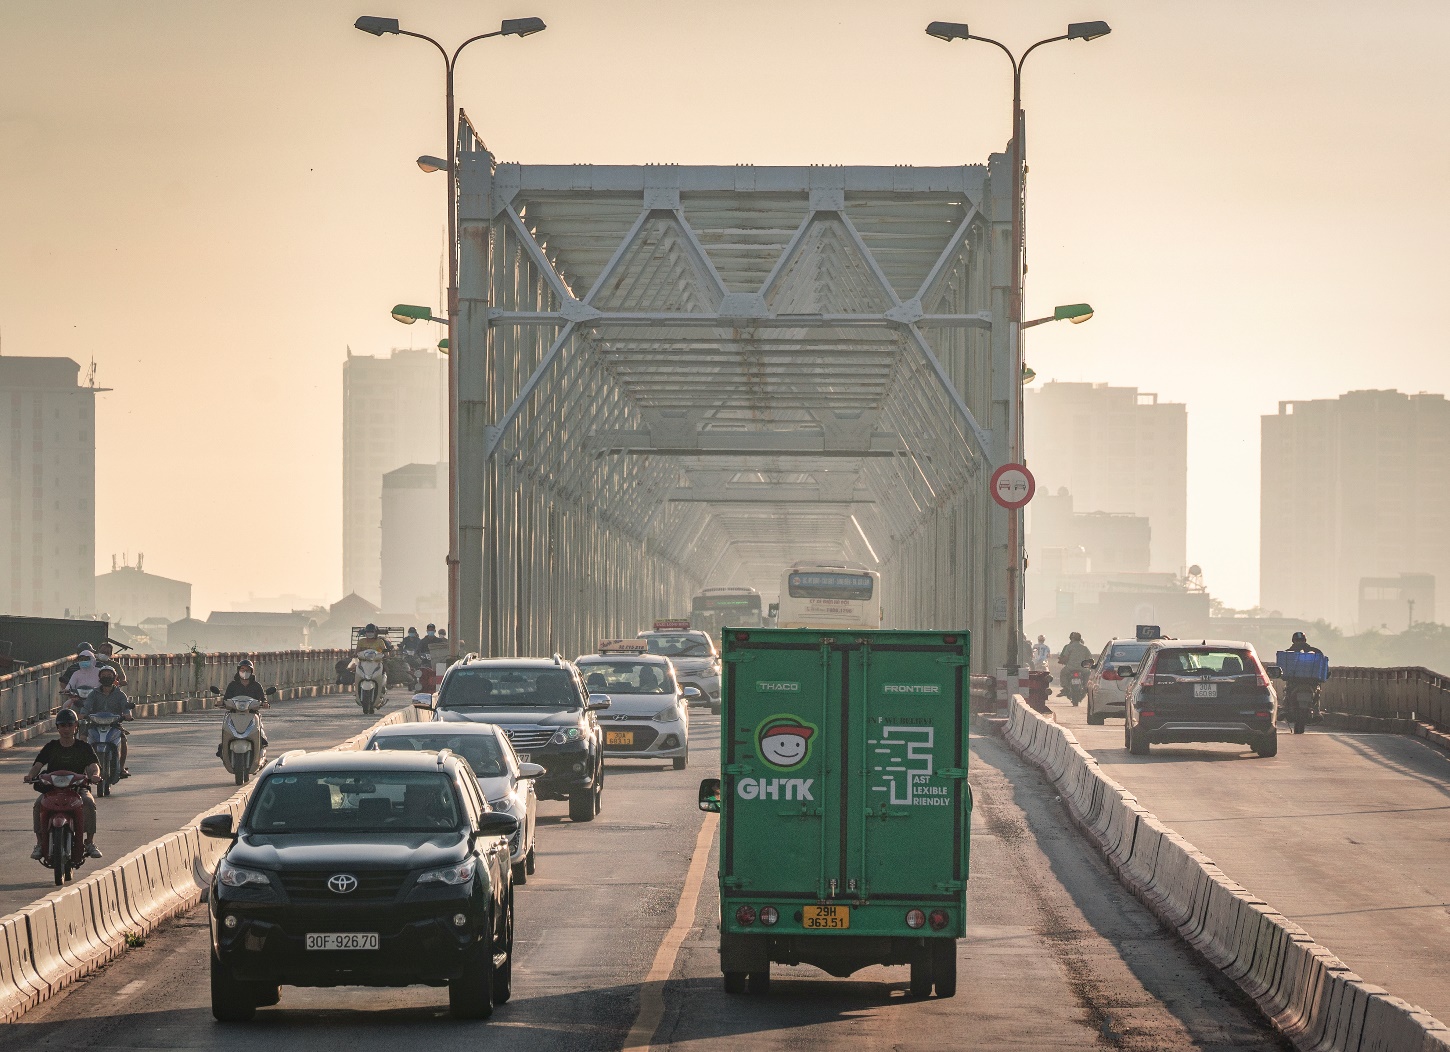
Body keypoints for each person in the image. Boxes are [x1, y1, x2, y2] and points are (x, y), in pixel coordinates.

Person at [25, 708, 102, 859]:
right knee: (38, 804)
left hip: (78, 789)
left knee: (88, 802)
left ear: (76, 726)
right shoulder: (51, 746)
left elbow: (94, 765)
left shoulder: (84, 747)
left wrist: (95, 775)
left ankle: (90, 842)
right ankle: (40, 843)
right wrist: (30, 776)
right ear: (58, 727)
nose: (66, 729)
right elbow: (38, 765)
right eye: (62, 725)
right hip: (52, 790)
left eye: (69, 725)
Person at [81, 667, 136, 777]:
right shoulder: (93, 693)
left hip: (114, 724)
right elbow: (86, 706)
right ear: (99, 677)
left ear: (115, 678)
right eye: (103, 675)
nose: (106, 677)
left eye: (109, 675)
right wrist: (82, 714)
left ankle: (121, 768)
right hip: (94, 724)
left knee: (123, 740)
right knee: (82, 739)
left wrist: (127, 715)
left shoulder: (120, 694)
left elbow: (126, 708)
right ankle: (82, 768)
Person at [217, 660, 269, 752]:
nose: (245, 672)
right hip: (234, 714)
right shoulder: (232, 685)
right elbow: (226, 698)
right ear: (238, 670)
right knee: (226, 731)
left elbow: (263, 698)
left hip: (252, 714)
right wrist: (222, 702)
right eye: (242, 669)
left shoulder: (256, 686)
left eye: (248, 670)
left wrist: (265, 703)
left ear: (251, 671)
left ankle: (261, 748)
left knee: (261, 733)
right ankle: (223, 748)